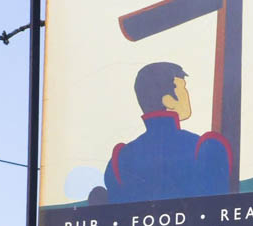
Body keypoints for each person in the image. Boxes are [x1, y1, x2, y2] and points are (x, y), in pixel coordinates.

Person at [92, 62, 231, 204]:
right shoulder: (205, 148)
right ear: (168, 101)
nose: (187, 94)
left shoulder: (119, 158)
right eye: (184, 88)